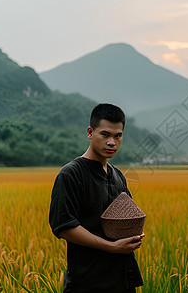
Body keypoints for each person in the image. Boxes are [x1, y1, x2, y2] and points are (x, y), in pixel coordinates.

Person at [49, 103, 144, 292]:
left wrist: (134, 235)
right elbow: (64, 226)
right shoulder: (71, 174)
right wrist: (111, 247)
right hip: (88, 281)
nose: (112, 142)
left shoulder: (118, 176)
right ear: (90, 132)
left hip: (122, 279)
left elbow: (125, 219)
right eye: (105, 134)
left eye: (118, 136)